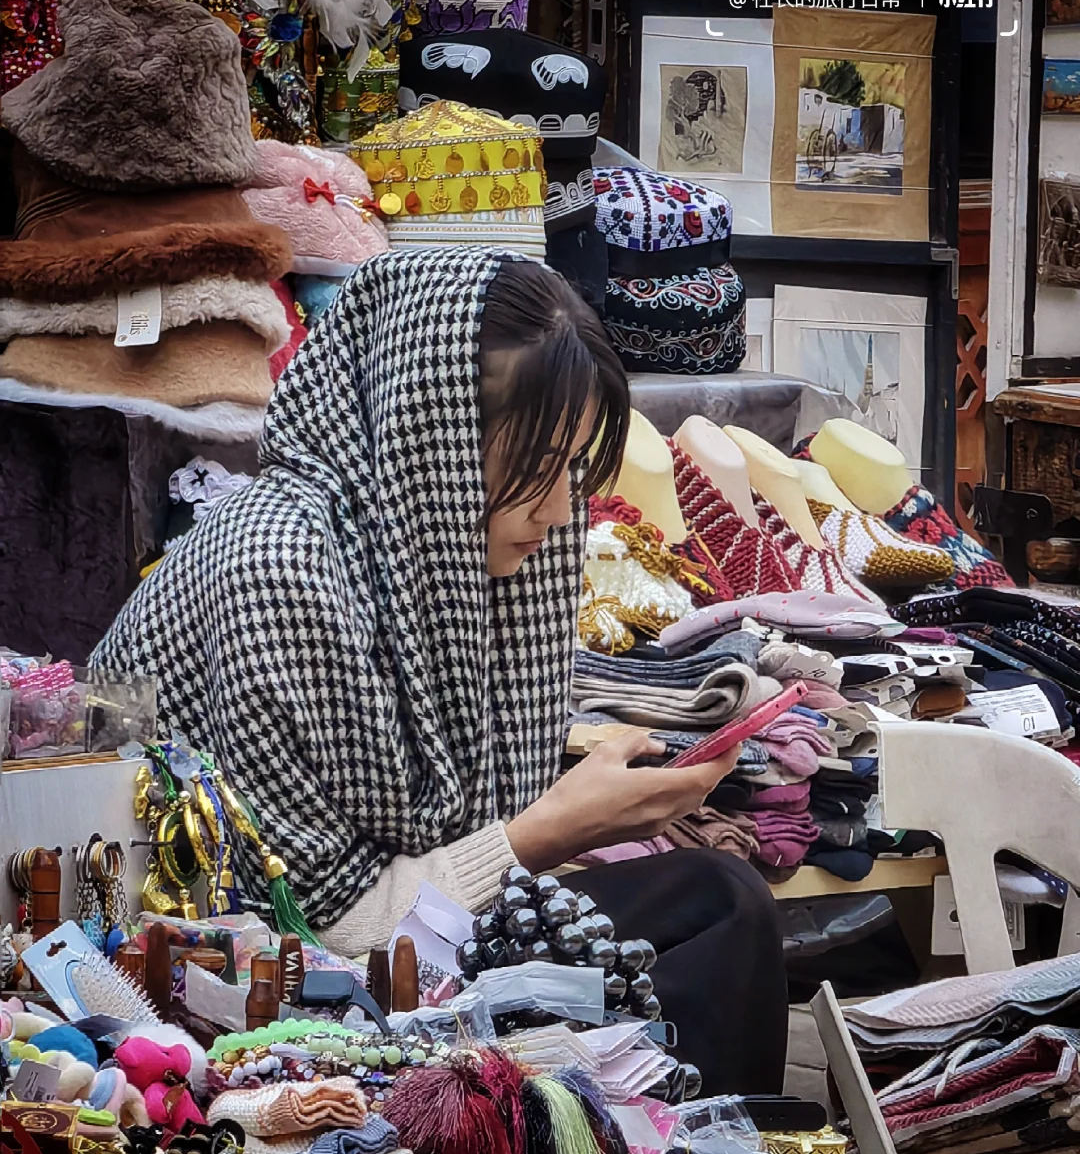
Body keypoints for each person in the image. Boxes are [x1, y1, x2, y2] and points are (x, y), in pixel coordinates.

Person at [93, 249, 786, 1095]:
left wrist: (576, 813)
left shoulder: (423, 553)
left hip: (391, 942)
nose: (559, 510)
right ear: (430, 440)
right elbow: (317, 934)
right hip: (248, 989)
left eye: (570, 467)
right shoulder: (282, 564)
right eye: (535, 465)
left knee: (714, 906)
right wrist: (549, 831)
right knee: (717, 915)